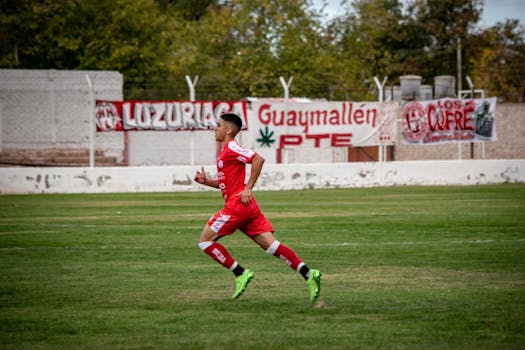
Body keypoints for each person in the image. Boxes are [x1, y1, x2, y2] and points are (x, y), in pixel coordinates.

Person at [194, 113, 322, 303]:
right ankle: (308, 273)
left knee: (205, 242)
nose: (215, 128)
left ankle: (241, 273)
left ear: (228, 130)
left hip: (237, 207)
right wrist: (206, 182)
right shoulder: (225, 151)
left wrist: (248, 188)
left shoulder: (231, 147)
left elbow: (258, 159)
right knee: (272, 246)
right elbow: (225, 184)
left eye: (218, 125)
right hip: (246, 207)